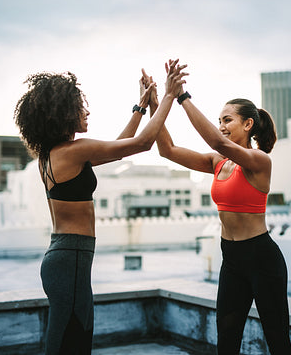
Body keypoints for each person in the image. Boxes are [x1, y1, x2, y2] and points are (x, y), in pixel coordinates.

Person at [13, 60, 187, 355]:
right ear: (62, 114)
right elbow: (143, 143)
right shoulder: (74, 151)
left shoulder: (54, 155)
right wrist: (169, 95)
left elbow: (120, 147)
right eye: (80, 107)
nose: (87, 112)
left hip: (66, 258)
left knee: (68, 340)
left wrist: (141, 108)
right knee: (72, 341)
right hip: (71, 261)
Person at [145, 61, 291, 354]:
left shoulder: (259, 161)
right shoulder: (218, 162)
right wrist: (158, 101)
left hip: (262, 258)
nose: (222, 127)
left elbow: (216, 140)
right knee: (226, 341)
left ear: (248, 124)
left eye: (228, 120)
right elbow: (168, 150)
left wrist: (182, 97)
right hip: (232, 258)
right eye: (220, 120)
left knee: (277, 341)